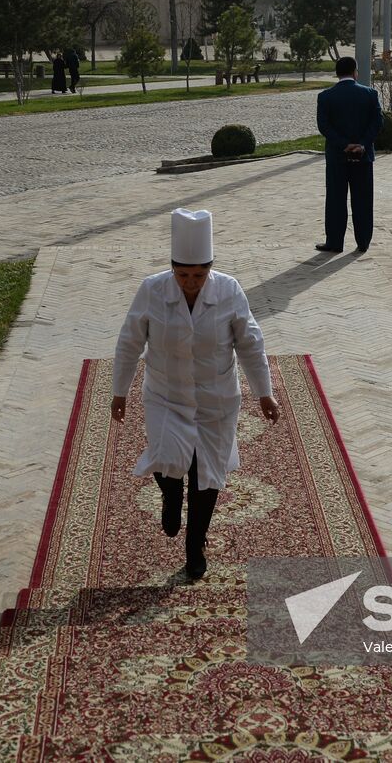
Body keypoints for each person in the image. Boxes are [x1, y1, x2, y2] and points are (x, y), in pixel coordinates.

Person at [112, 208, 279, 581]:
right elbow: (129, 342)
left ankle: (195, 545)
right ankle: (170, 496)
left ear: (210, 269)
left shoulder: (229, 290)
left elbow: (251, 344)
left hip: (215, 397)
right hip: (165, 394)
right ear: (172, 269)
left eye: (199, 275)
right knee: (168, 457)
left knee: (207, 473)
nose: (190, 283)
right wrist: (119, 392)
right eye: (183, 275)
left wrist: (264, 393)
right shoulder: (152, 290)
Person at [314, 56, 382, 253]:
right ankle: (363, 242)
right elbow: (377, 123)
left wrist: (344, 144)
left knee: (336, 199)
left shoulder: (325, 96)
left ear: (337, 73)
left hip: (337, 156)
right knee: (363, 199)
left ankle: (335, 242)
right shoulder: (370, 94)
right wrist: (361, 144)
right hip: (363, 156)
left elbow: (324, 126)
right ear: (355, 72)